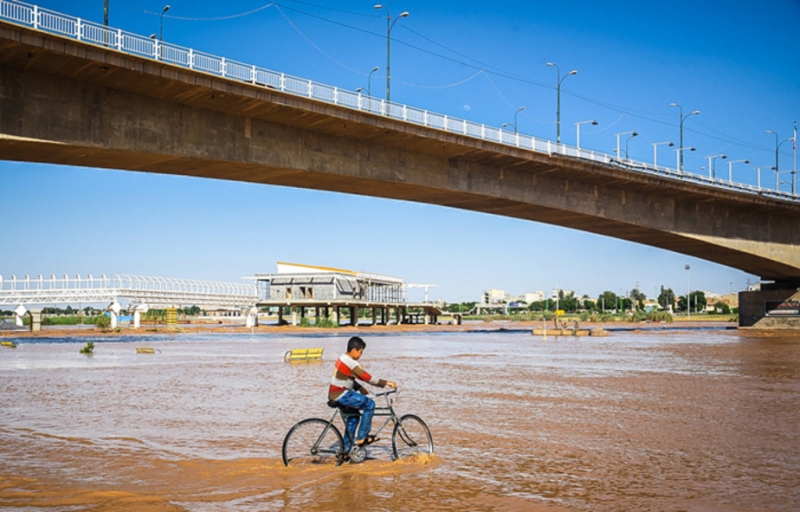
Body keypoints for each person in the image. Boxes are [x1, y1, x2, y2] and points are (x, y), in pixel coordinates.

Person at [329, 336, 396, 451]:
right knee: (370, 404)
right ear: (354, 350)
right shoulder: (350, 363)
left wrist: (359, 388)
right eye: (360, 352)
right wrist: (386, 383)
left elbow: (345, 378)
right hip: (342, 394)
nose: (361, 355)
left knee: (353, 418)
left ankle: (345, 452)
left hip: (336, 393)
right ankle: (362, 437)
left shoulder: (342, 358)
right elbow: (367, 378)